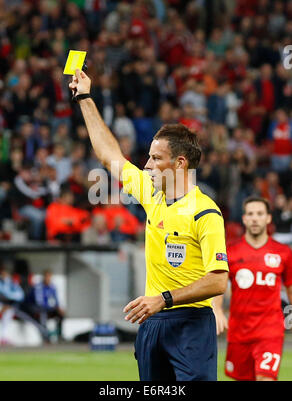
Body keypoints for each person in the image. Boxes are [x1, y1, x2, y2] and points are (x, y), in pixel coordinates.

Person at [69, 69, 229, 381]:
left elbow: (217, 282)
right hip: (153, 323)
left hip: (191, 323)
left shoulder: (205, 212)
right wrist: (86, 98)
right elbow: (108, 155)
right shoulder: (151, 193)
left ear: (180, 163)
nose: (147, 165)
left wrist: (164, 298)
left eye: (156, 158)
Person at [213, 196, 292, 381]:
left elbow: (290, 286)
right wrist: (217, 309)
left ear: (268, 218)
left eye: (259, 214)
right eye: (250, 214)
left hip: (270, 331)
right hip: (239, 332)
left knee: (266, 378)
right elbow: (219, 283)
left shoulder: (283, 252)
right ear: (244, 219)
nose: (255, 218)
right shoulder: (231, 251)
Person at [26, 270, 65, 342]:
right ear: (44, 277)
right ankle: (45, 336)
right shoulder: (38, 287)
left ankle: (59, 335)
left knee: (61, 314)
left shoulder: (52, 287)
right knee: (42, 313)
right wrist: (51, 308)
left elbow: (56, 299)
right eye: (46, 277)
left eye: (49, 277)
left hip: (47, 308)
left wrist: (58, 307)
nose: (48, 279)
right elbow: (39, 302)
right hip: (35, 308)